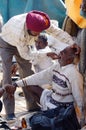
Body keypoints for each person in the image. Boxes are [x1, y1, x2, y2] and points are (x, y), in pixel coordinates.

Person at [0, 10, 80, 120]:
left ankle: (32, 106)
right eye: (35, 33)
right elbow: (27, 55)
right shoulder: (18, 32)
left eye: (40, 32)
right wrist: (46, 54)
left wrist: (72, 43)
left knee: (27, 73)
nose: (38, 36)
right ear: (28, 28)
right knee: (7, 76)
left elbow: (57, 32)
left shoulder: (41, 21)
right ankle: (9, 112)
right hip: (7, 43)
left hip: (24, 45)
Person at [5, 45, 85, 126]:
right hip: (51, 99)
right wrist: (15, 84)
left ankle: (48, 115)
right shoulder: (57, 66)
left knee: (37, 122)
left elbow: (79, 99)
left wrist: (81, 122)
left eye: (63, 53)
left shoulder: (74, 74)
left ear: (69, 60)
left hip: (61, 109)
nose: (59, 53)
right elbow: (39, 76)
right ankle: (45, 111)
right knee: (29, 85)